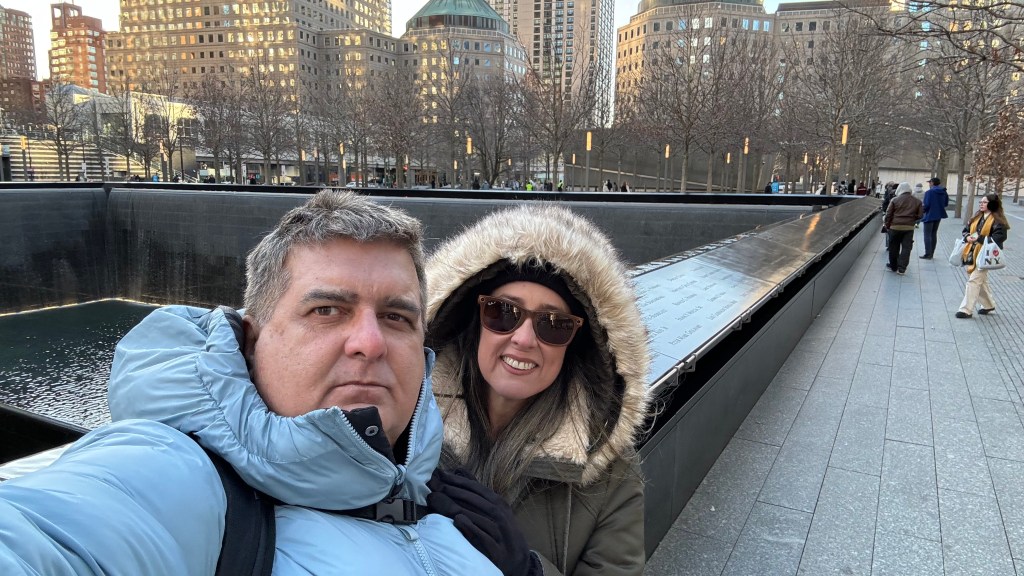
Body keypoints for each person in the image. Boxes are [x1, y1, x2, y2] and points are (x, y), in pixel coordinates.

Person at [0, 191, 500, 575]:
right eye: (327, 310)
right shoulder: (175, 474)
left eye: (395, 317)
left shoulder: (438, 502)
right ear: (251, 341)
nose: (369, 343)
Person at [424, 204, 651, 576]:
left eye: (553, 324)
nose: (524, 339)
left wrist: (527, 569)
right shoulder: (406, 425)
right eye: (502, 312)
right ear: (474, 321)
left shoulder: (613, 471)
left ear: (574, 345)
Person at [956, 193, 1009, 318]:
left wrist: (979, 239)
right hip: (972, 252)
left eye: (984, 202)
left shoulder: (998, 220)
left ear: (992, 204)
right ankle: (988, 305)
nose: (981, 204)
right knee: (980, 281)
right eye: (981, 202)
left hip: (986, 255)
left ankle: (966, 309)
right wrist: (967, 237)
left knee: (974, 280)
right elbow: (966, 230)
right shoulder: (976, 217)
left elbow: (999, 237)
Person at [884, 182, 923, 275]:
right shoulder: (917, 201)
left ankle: (893, 266)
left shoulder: (894, 200)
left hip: (895, 227)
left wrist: (887, 225)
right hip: (909, 228)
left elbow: (888, 214)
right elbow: (920, 215)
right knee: (906, 248)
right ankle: (902, 268)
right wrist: (911, 219)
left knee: (893, 247)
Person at [919, 176, 949, 259]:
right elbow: (946, 203)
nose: (929, 184)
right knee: (933, 234)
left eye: (929, 182)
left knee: (927, 235)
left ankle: (928, 254)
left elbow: (926, 205)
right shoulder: (944, 192)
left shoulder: (929, 192)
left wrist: (922, 211)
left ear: (932, 183)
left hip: (929, 215)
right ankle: (931, 253)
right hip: (938, 215)